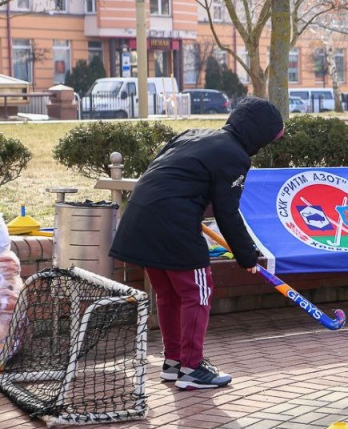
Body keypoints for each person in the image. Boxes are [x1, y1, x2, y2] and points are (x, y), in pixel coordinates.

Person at [110, 97, 284, 389]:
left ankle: (174, 362)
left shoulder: (192, 134)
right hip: (173, 224)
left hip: (139, 219)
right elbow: (227, 212)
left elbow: (173, 178)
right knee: (198, 292)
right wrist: (247, 256)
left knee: (169, 294)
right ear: (260, 135)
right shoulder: (235, 155)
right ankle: (192, 369)